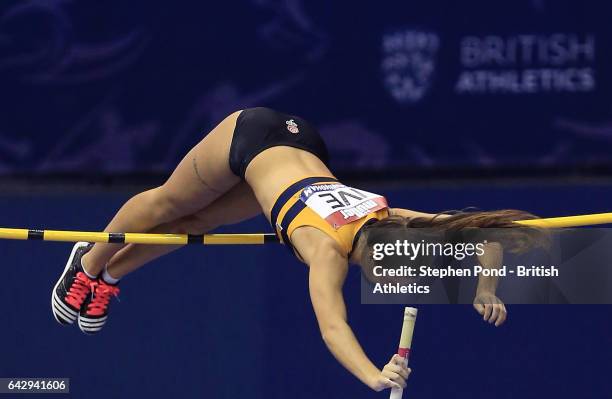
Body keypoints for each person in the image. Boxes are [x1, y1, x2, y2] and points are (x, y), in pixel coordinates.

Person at [50, 107, 538, 392]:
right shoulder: (326, 252)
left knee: (198, 224)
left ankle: (111, 277)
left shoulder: (389, 216)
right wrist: (374, 377)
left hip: (304, 150)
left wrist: (485, 290)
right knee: (170, 202)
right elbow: (332, 328)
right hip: (251, 137)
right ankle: (88, 261)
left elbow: (484, 235)